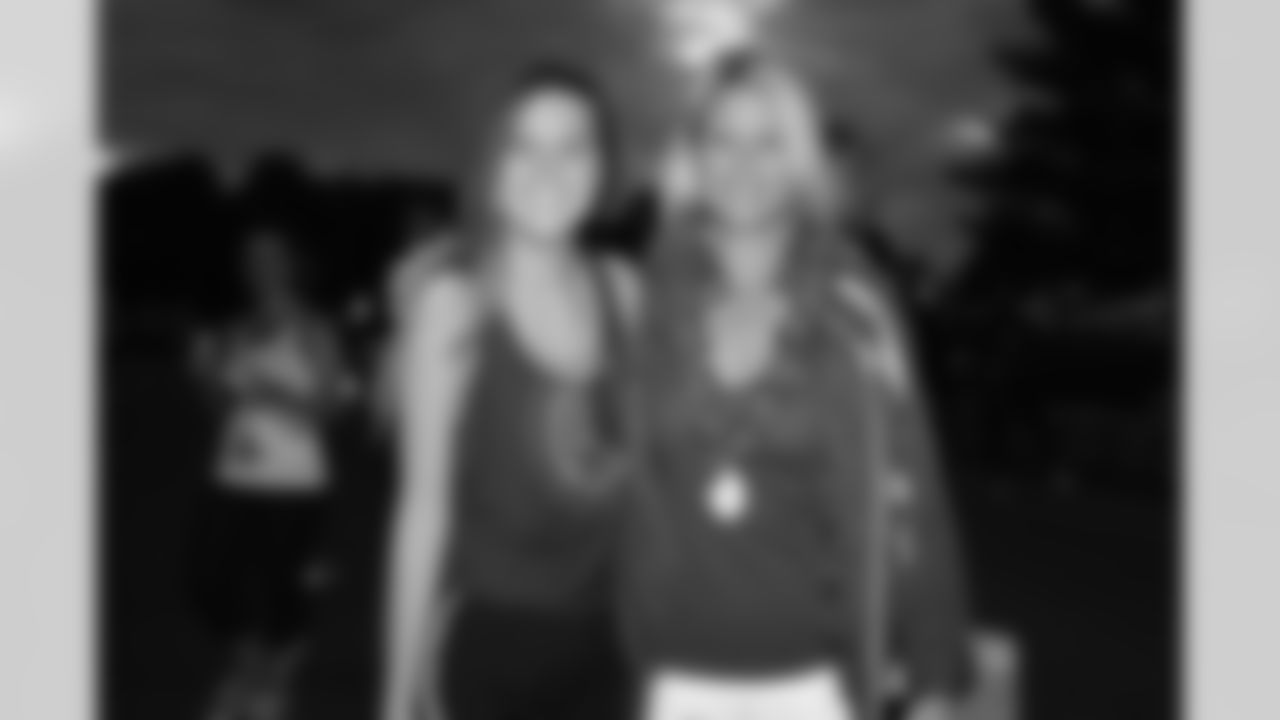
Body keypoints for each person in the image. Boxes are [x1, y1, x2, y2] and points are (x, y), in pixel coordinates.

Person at [618, 53, 972, 720]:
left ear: (799, 159)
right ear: (694, 155)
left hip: (816, 685)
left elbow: (916, 485)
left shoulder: (855, 305)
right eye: (723, 138)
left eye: (768, 141)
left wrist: (932, 677)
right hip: (675, 681)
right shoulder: (651, 302)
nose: (743, 163)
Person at [379, 63, 639, 720]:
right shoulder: (455, 303)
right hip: (488, 648)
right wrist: (394, 702)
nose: (548, 169)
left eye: (573, 146)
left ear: (602, 168)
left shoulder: (626, 292)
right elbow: (422, 513)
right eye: (523, 146)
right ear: (491, 166)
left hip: (608, 649)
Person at [187, 227, 354, 720]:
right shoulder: (235, 328)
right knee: (207, 578)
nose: (259, 266)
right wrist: (204, 378)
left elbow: (329, 411)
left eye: (270, 256)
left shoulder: (314, 328)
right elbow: (221, 409)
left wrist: (268, 391)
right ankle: (252, 669)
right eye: (250, 257)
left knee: (284, 588)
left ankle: (273, 686)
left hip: (294, 482)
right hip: (232, 475)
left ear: (291, 264)